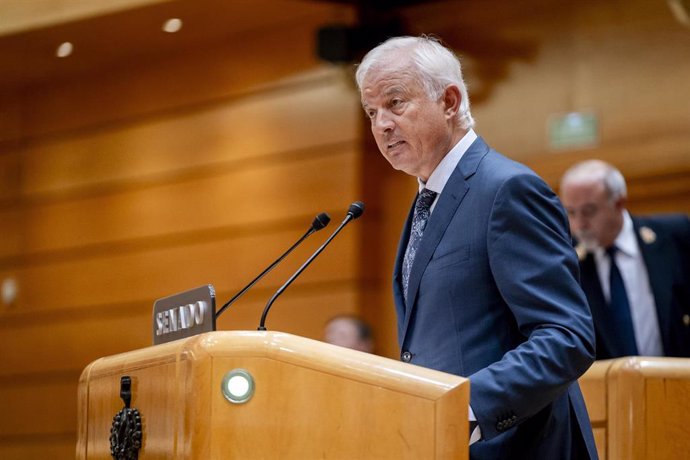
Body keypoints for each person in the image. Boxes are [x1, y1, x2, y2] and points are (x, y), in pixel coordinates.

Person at [355, 36, 598, 459]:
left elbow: (566, 336)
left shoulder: (506, 189)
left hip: (520, 447)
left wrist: (464, 408)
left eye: (396, 103)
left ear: (449, 101)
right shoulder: (425, 202)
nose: (381, 125)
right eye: (372, 112)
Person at [560, 159, 690, 359]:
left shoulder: (675, 234)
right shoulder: (568, 261)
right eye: (571, 212)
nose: (578, 225)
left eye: (588, 211)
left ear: (619, 203)